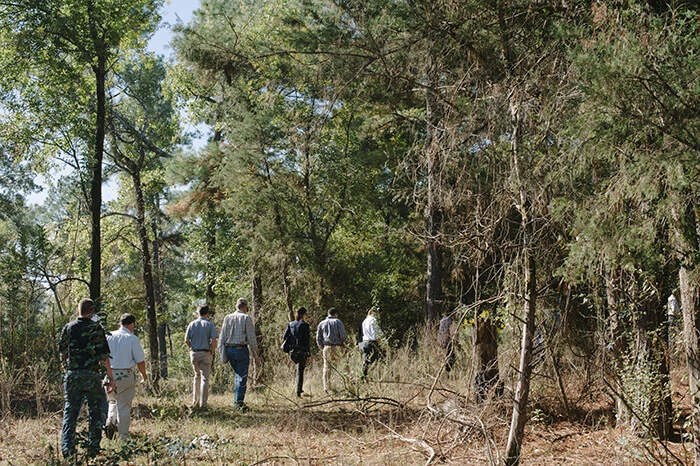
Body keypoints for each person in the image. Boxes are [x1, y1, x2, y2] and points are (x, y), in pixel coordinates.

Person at [58, 298, 115, 459]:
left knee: (70, 412)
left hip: (73, 375)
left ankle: (67, 450)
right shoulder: (96, 329)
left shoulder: (68, 328)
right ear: (92, 311)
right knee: (95, 412)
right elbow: (104, 357)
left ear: (79, 311)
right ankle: (93, 448)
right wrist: (110, 377)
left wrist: (68, 369)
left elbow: (62, 353)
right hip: (91, 376)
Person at [104, 313, 148, 441]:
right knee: (123, 406)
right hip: (125, 374)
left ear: (120, 323)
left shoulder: (108, 336)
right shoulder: (132, 338)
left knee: (113, 401)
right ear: (132, 324)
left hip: (109, 374)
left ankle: (110, 420)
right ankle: (123, 437)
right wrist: (143, 375)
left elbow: (102, 357)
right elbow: (140, 361)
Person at [218, 298, 259, 409]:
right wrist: (255, 355)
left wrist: (222, 353)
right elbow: (251, 338)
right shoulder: (246, 318)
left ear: (236, 306)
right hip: (241, 349)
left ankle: (237, 401)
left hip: (229, 349)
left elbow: (222, 336)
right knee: (241, 376)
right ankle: (238, 404)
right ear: (245, 307)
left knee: (238, 375)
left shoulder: (227, 318)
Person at [185, 304, 219, 408]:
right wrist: (212, 351)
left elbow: (186, 340)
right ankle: (203, 403)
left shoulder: (192, 324)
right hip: (205, 353)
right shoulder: (209, 325)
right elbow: (214, 340)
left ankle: (195, 401)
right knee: (205, 378)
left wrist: (192, 347)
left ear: (198, 313)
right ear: (207, 313)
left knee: (196, 376)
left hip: (194, 353)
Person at [316, 307, 346, 393]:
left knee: (327, 367)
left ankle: (326, 387)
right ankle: (346, 385)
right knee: (344, 366)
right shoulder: (338, 322)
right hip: (338, 346)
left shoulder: (321, 323)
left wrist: (322, 347)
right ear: (335, 314)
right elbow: (343, 336)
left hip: (327, 347)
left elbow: (318, 338)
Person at [282, 307, 311, 397]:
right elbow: (307, 341)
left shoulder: (291, 324)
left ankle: (299, 389)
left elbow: (284, 337)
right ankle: (298, 391)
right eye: (306, 314)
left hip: (292, 351)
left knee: (298, 369)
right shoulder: (305, 325)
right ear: (303, 315)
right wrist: (309, 353)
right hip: (301, 351)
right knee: (300, 371)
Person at [358, 307, 384, 381]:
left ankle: (364, 377)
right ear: (376, 313)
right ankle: (367, 378)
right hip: (372, 343)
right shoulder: (373, 320)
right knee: (375, 361)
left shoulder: (365, 321)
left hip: (364, 342)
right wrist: (383, 343)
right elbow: (376, 334)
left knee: (366, 361)